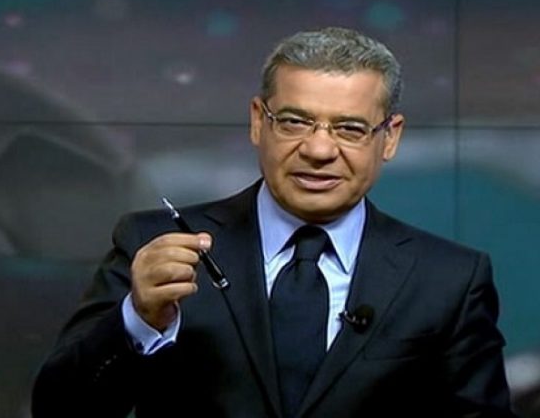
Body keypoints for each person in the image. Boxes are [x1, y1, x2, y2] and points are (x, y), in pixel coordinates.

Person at [31, 27, 516, 417]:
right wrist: (138, 319)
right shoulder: (154, 245)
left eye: (349, 128)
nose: (319, 149)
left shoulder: (450, 279)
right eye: (294, 122)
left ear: (389, 138)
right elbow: (59, 410)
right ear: (258, 121)